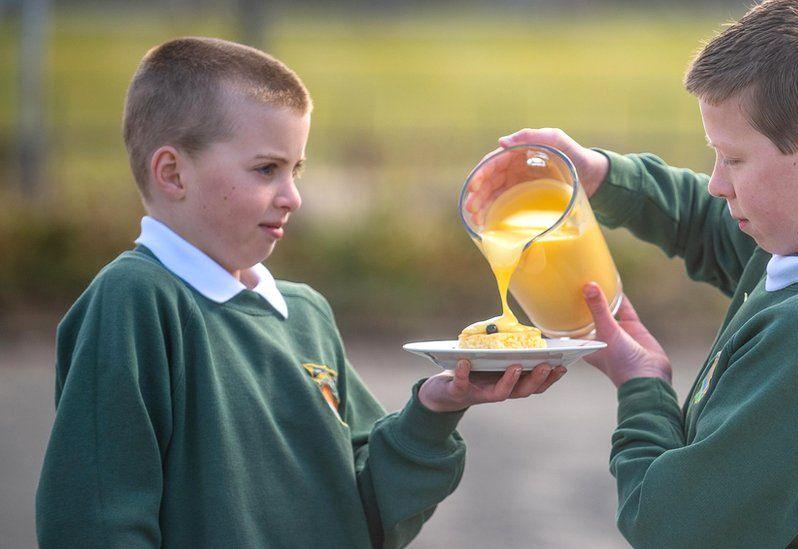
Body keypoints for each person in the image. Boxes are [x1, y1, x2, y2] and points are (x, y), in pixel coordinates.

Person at [35, 37, 565, 549]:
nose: (292, 197)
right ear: (173, 173)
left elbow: (371, 513)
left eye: (296, 169)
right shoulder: (136, 299)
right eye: (267, 169)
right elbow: (96, 521)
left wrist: (437, 407)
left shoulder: (306, 312)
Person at [491, 0, 798, 545]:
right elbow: (712, 227)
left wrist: (642, 388)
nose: (716, 183)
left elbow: (671, 527)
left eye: (734, 159)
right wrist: (602, 175)